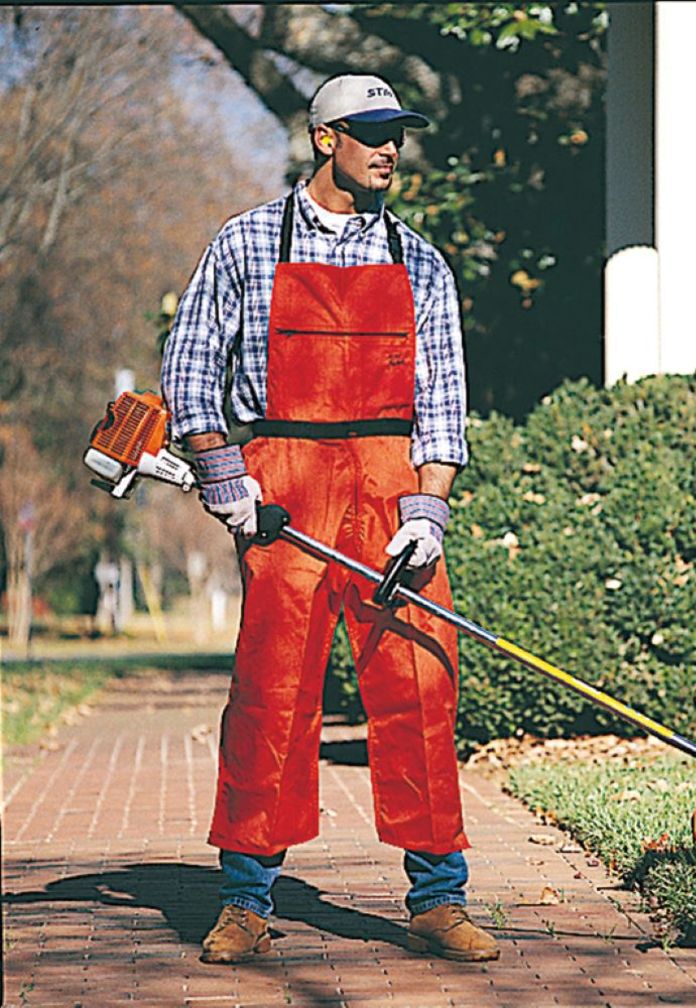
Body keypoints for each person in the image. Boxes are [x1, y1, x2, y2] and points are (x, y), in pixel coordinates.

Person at [162, 74, 498, 965]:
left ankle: (437, 897)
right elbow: (190, 370)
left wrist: (427, 510)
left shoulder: (420, 261)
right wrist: (226, 476)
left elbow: (445, 403)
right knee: (274, 688)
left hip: (391, 478)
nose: (391, 148)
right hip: (286, 475)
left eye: (399, 134)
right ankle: (245, 900)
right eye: (372, 132)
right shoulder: (246, 244)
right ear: (325, 140)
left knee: (423, 679)